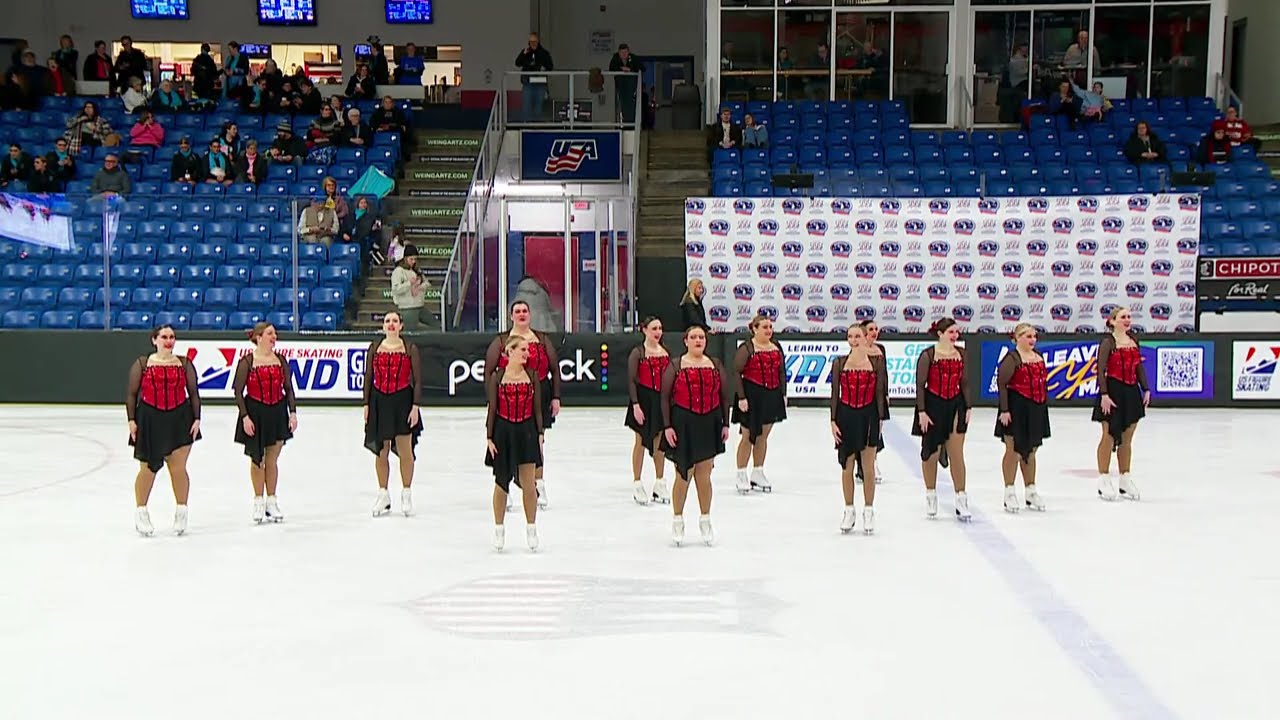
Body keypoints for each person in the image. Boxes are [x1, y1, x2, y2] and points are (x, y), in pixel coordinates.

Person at [125, 325, 201, 537]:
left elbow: (193, 393)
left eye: (172, 337)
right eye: (164, 337)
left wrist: (197, 419)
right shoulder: (143, 364)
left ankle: (181, 511)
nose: (169, 341)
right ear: (154, 340)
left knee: (178, 468)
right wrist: (131, 420)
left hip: (180, 418)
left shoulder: (184, 363)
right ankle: (141, 512)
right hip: (150, 419)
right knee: (148, 469)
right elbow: (132, 394)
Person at [484, 301, 561, 508]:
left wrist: (555, 397)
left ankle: (538, 484)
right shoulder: (501, 341)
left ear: (530, 314)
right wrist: (492, 399)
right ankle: (505, 484)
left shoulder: (542, 339)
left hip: (538, 394)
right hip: (507, 396)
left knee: (537, 440)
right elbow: (489, 371)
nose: (521, 314)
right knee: (505, 442)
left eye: (525, 310)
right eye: (517, 311)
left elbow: (554, 368)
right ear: (511, 316)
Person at [660, 324, 729, 546]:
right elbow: (664, 398)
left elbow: (724, 396)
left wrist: (725, 424)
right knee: (683, 474)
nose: (698, 340)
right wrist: (668, 426)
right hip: (683, 423)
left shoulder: (715, 364)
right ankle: (678, 519)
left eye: (701, 337)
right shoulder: (676, 365)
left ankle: (705, 519)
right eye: (693, 337)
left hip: (709, 422)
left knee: (704, 475)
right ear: (685, 341)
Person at [233, 323, 298, 524]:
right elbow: (237, 391)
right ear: (258, 337)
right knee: (257, 459)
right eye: (270, 333)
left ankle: (272, 500)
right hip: (255, 412)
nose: (274, 336)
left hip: (277, 411)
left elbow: (288, 388)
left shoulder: (280, 360)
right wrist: (245, 416)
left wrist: (292, 413)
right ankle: (258, 500)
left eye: (275, 333)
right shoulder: (247, 361)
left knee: (272, 459)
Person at [485, 335, 546, 552]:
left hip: (526, 431)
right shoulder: (498, 377)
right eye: (522, 349)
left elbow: (538, 409)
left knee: (529, 484)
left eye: (527, 350)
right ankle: (499, 529)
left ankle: (531, 528)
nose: (527, 353)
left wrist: (540, 433)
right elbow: (492, 408)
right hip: (503, 432)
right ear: (510, 351)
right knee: (501, 483)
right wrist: (489, 436)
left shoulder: (532, 375)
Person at [911, 318, 973, 521]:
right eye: (951, 332)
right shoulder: (928, 355)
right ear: (940, 333)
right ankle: (931, 494)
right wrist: (922, 411)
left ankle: (961, 498)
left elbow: (964, 383)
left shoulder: (962, 354)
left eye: (957, 332)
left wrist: (968, 406)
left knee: (957, 453)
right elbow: (920, 385)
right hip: (932, 405)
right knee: (931, 453)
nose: (955, 336)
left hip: (956, 405)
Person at [363, 312, 423, 517]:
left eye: (394, 321)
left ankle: (406, 493)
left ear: (401, 325)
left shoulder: (409, 348)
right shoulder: (375, 347)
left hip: (402, 401)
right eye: (387, 321)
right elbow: (368, 376)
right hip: (379, 401)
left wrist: (415, 406)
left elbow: (417, 379)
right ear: (383, 326)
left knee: (405, 450)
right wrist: (366, 404)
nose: (391, 324)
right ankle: (383, 494)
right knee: (381, 450)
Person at [830, 323, 887, 534]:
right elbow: (835, 393)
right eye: (850, 336)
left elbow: (880, 392)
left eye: (857, 336)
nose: (853, 340)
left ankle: (869, 510)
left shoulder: (876, 362)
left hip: (869, 416)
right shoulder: (839, 363)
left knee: (868, 466)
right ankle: (849, 509)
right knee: (847, 465)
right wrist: (833, 420)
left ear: (865, 338)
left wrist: (881, 419)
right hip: (846, 416)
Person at [1092, 307, 1148, 502]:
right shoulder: (1108, 342)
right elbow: (1100, 370)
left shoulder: (1133, 340)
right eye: (1123, 317)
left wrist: (1146, 388)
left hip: (1131, 391)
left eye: (1129, 317)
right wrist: (1104, 394)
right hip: (1112, 391)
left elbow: (1138, 366)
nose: (1127, 320)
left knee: (1127, 438)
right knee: (1108, 435)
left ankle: (1125, 478)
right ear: (1113, 321)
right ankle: (1104, 478)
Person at [994, 323, 1050, 513]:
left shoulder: (1038, 357)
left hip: (1036, 407)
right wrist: (1004, 410)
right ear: (1017, 338)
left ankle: (1030, 490)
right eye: (1028, 336)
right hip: (1016, 407)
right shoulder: (1012, 359)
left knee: (1032, 450)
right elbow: (1002, 384)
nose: (1032, 340)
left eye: (1034, 336)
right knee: (1013, 450)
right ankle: (1009, 491)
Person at [731, 314, 786, 494]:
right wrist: (741, 398)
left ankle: (758, 471)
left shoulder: (776, 347)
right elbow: (736, 373)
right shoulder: (747, 348)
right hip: (751, 395)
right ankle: (741, 473)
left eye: (770, 327)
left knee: (763, 436)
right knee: (748, 436)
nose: (769, 330)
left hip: (771, 395)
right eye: (764, 327)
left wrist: (783, 394)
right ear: (754, 329)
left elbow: (781, 372)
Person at [625, 317, 671, 506]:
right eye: (654, 328)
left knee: (659, 442)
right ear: (644, 330)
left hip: (661, 400)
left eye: (660, 328)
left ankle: (660, 482)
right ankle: (637, 482)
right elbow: (631, 381)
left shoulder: (665, 352)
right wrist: (636, 405)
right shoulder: (638, 353)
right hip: (643, 400)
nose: (658, 332)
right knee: (640, 441)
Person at [854, 320, 888, 485]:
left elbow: (884, 375)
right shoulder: (858, 350)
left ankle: (872, 461)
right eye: (871, 329)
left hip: (879, 396)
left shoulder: (880, 349)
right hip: (862, 395)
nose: (875, 332)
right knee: (862, 429)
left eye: (876, 329)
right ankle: (861, 465)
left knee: (877, 430)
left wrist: (886, 394)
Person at [390, 245, 437, 330]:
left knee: (436, 325)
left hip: (420, 305)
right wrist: (409, 283)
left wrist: (420, 286)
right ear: (405, 258)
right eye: (411, 259)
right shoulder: (398, 271)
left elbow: (427, 283)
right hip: (407, 307)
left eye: (415, 259)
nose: (413, 262)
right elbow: (396, 290)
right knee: (412, 332)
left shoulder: (417, 270)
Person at [515, 33, 554, 122]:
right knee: (526, 106)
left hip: (540, 83)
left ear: (538, 41)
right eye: (531, 41)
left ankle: (537, 127)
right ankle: (526, 126)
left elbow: (550, 66)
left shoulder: (544, 53)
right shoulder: (525, 52)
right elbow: (517, 63)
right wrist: (523, 54)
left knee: (538, 108)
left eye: (534, 41)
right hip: (527, 83)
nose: (533, 43)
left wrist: (542, 67)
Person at [609, 43, 641, 124]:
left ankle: (632, 122)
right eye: (621, 53)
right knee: (623, 103)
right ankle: (626, 122)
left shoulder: (633, 58)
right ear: (619, 53)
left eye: (625, 52)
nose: (623, 54)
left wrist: (630, 69)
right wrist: (621, 68)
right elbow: (611, 68)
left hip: (631, 84)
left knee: (631, 103)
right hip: (621, 84)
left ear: (628, 52)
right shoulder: (615, 58)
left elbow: (642, 67)